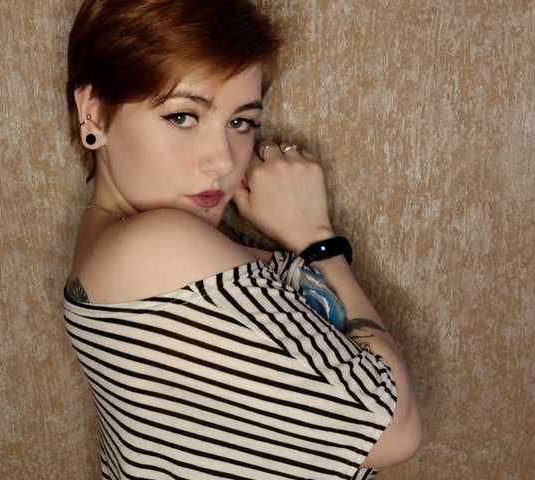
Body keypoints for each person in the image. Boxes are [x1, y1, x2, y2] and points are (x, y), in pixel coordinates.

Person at [62, 1, 421, 479]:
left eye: (241, 122)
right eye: (182, 116)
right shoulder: (156, 246)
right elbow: (393, 431)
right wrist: (318, 242)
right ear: (93, 112)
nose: (223, 160)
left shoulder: (124, 243)